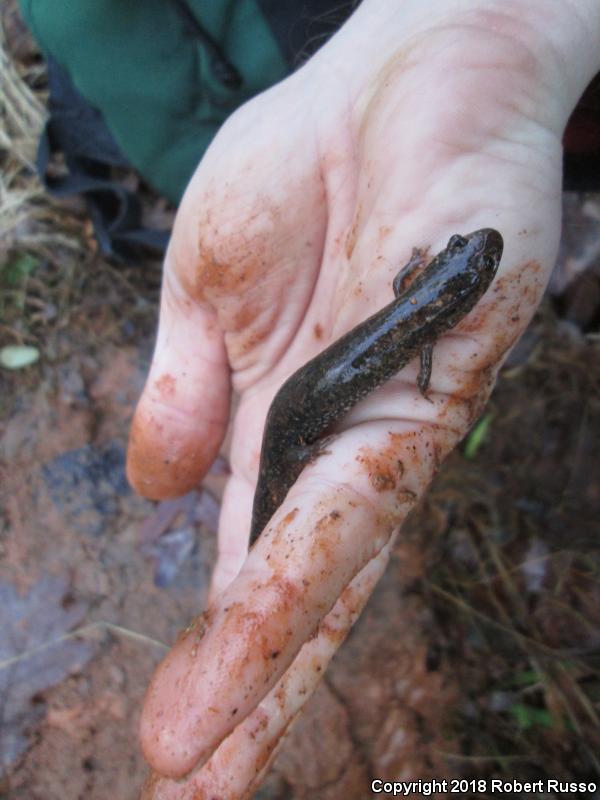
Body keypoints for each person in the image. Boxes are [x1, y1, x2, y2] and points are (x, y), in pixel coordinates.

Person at [121, 0, 600, 796]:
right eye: (466, 264)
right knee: (284, 496)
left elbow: (416, 297)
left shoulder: (422, 307)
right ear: (452, 292)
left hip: (301, 404)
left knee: (286, 497)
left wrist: (512, 39)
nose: (473, 260)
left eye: (468, 268)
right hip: (295, 424)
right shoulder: (423, 329)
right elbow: (414, 354)